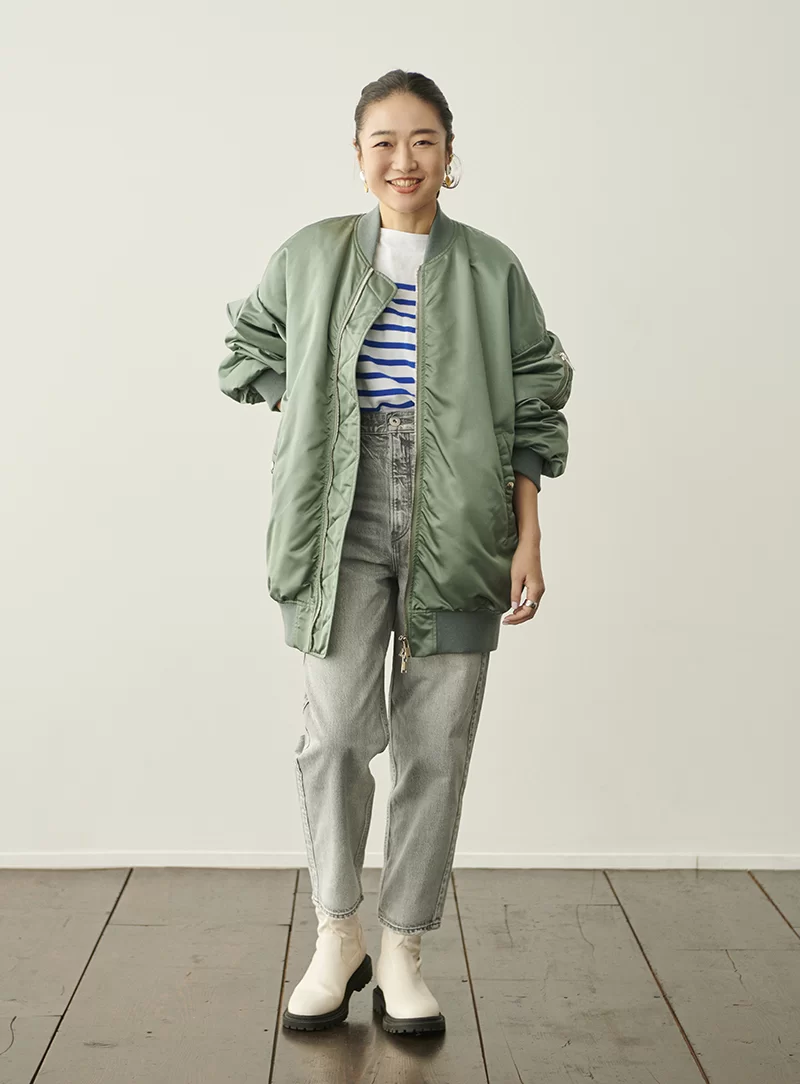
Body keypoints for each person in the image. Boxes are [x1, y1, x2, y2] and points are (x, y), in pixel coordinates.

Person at [219, 69, 573, 1037]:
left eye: (423, 140)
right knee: (336, 732)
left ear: (449, 156)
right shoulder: (309, 255)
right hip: (338, 504)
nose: (403, 159)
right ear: (358, 154)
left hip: (462, 507)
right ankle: (338, 935)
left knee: (436, 741)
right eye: (384, 141)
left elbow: (535, 397)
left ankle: (404, 946)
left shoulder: (492, 269)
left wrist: (528, 530)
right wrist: (307, 412)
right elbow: (247, 349)